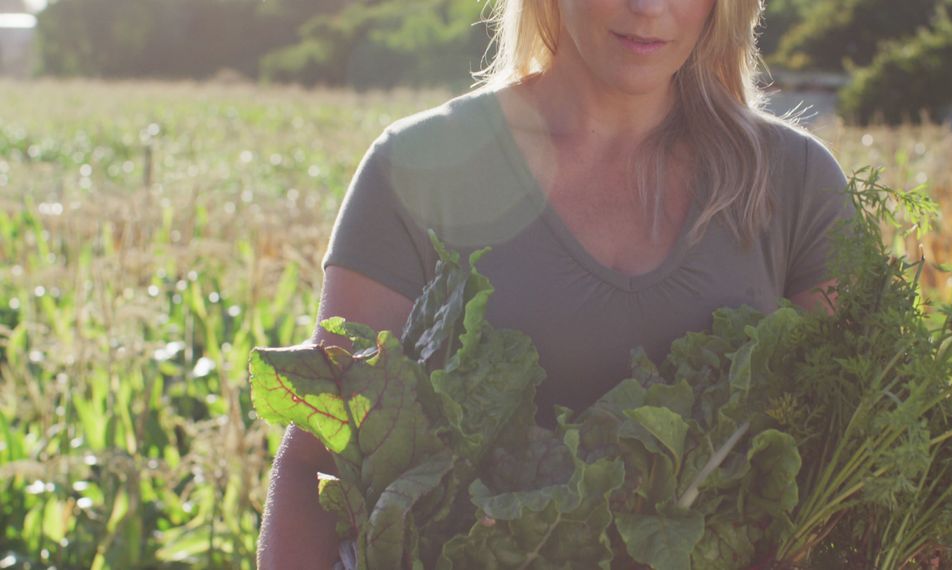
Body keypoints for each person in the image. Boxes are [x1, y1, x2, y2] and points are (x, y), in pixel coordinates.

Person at [257, 0, 853, 567]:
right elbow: (319, 457)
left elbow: (851, 452)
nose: (648, 7)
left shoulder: (796, 182)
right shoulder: (417, 165)